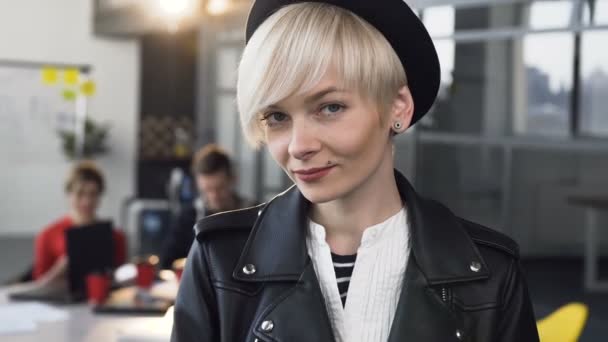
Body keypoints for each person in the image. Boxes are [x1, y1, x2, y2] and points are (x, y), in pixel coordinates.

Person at [171, 1, 539, 341]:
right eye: (277, 116)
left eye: (329, 108)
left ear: (398, 107)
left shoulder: (490, 273)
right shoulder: (220, 260)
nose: (299, 145)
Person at [160, 144, 254, 269]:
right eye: (207, 190)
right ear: (198, 185)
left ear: (233, 179)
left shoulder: (253, 212)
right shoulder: (189, 217)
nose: (214, 196)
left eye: (220, 188)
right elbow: (167, 262)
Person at [32, 161, 126, 281]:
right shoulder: (47, 236)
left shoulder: (116, 237)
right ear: (69, 195)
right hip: (62, 298)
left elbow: (121, 280)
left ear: (100, 196)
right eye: (80, 194)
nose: (86, 201)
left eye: (93, 194)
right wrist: (60, 268)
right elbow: (38, 285)